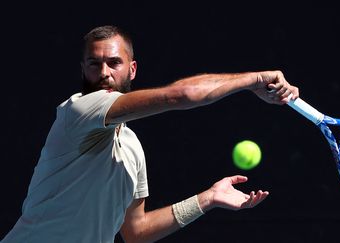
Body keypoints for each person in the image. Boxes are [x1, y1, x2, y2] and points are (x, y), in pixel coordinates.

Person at [1, 25, 299, 243]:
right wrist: (255, 79)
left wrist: (207, 199)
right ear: (83, 69)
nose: (104, 72)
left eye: (114, 63)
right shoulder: (77, 112)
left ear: (132, 70)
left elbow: (136, 231)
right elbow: (178, 96)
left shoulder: (131, 147)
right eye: (94, 64)